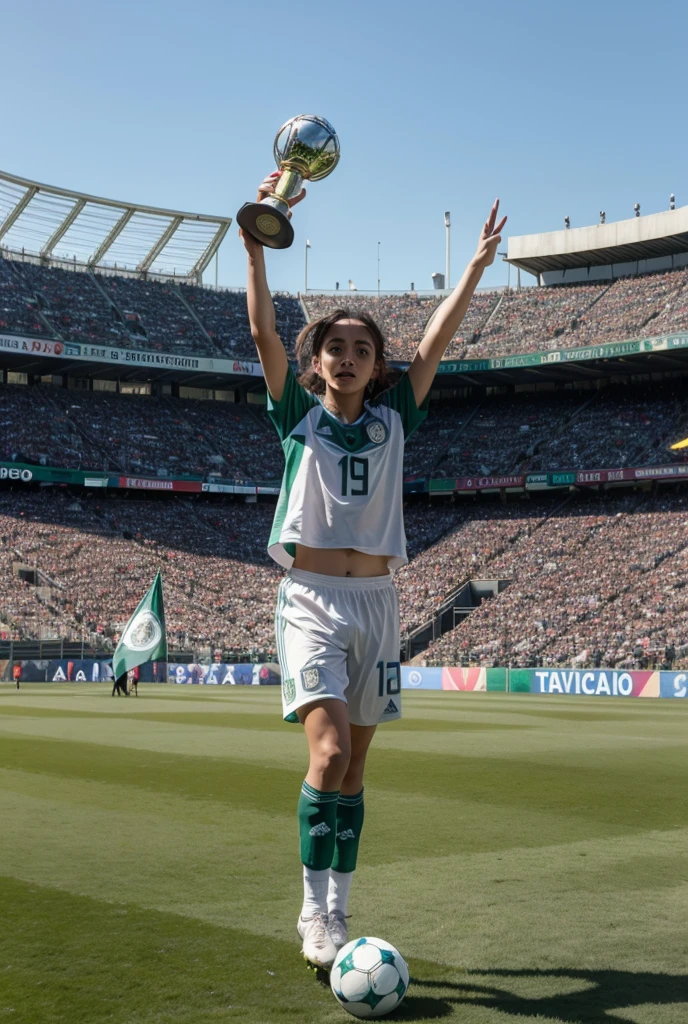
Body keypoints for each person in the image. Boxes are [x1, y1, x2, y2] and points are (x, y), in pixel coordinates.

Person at [241, 172, 505, 970]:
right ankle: (311, 913)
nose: (348, 358)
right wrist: (255, 249)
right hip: (313, 600)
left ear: (377, 364)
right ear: (316, 363)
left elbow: (437, 342)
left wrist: (474, 272)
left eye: (363, 349)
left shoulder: (397, 420)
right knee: (325, 756)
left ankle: (339, 908)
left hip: (379, 601)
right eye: (335, 349)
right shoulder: (299, 416)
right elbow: (261, 336)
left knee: (353, 770)